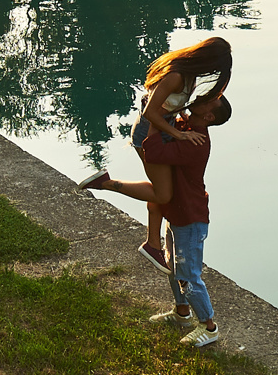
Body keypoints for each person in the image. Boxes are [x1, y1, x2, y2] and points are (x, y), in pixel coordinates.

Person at [83, 93, 230, 348]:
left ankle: (209, 327)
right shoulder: (187, 128)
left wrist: (154, 116)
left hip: (190, 220)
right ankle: (181, 314)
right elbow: (173, 126)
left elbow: (156, 151)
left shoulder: (195, 142)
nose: (201, 96)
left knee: (188, 275)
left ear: (208, 116)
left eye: (208, 100)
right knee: (174, 269)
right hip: (177, 213)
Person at [83, 35, 230, 270]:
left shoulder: (188, 75)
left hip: (164, 129)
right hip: (148, 134)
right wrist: (180, 134)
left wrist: (182, 122)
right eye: (214, 68)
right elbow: (151, 112)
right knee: (163, 195)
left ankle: (152, 243)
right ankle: (106, 184)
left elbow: (167, 107)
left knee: (163, 190)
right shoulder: (176, 75)